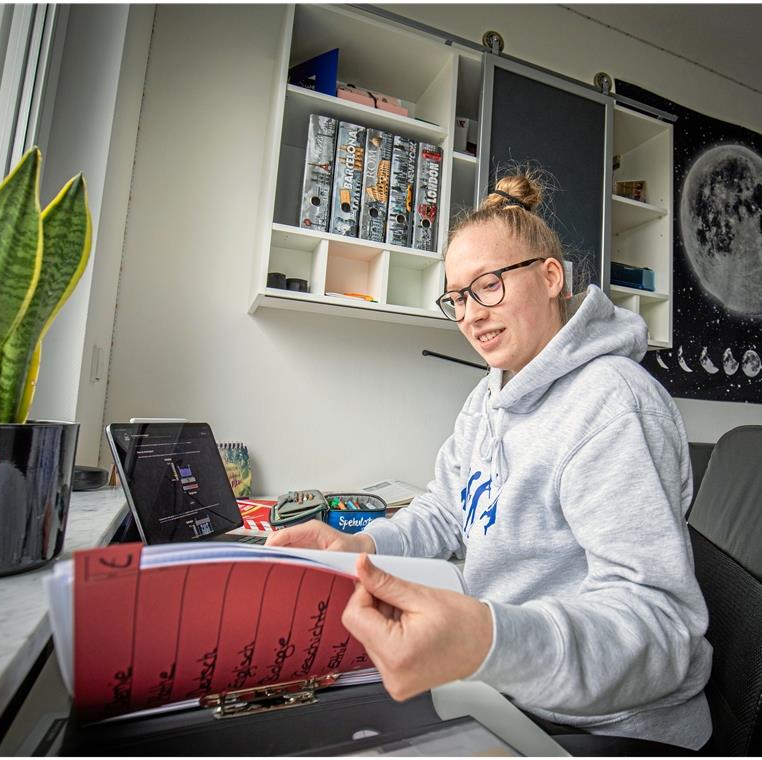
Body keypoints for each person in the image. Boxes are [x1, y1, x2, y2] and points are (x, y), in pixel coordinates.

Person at [267, 171, 713, 749]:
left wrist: (486, 640)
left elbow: (661, 628)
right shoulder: (490, 395)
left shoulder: (612, 404)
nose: (471, 314)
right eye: (457, 297)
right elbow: (447, 510)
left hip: (611, 729)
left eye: (489, 285)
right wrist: (364, 545)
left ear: (550, 277)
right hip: (508, 689)